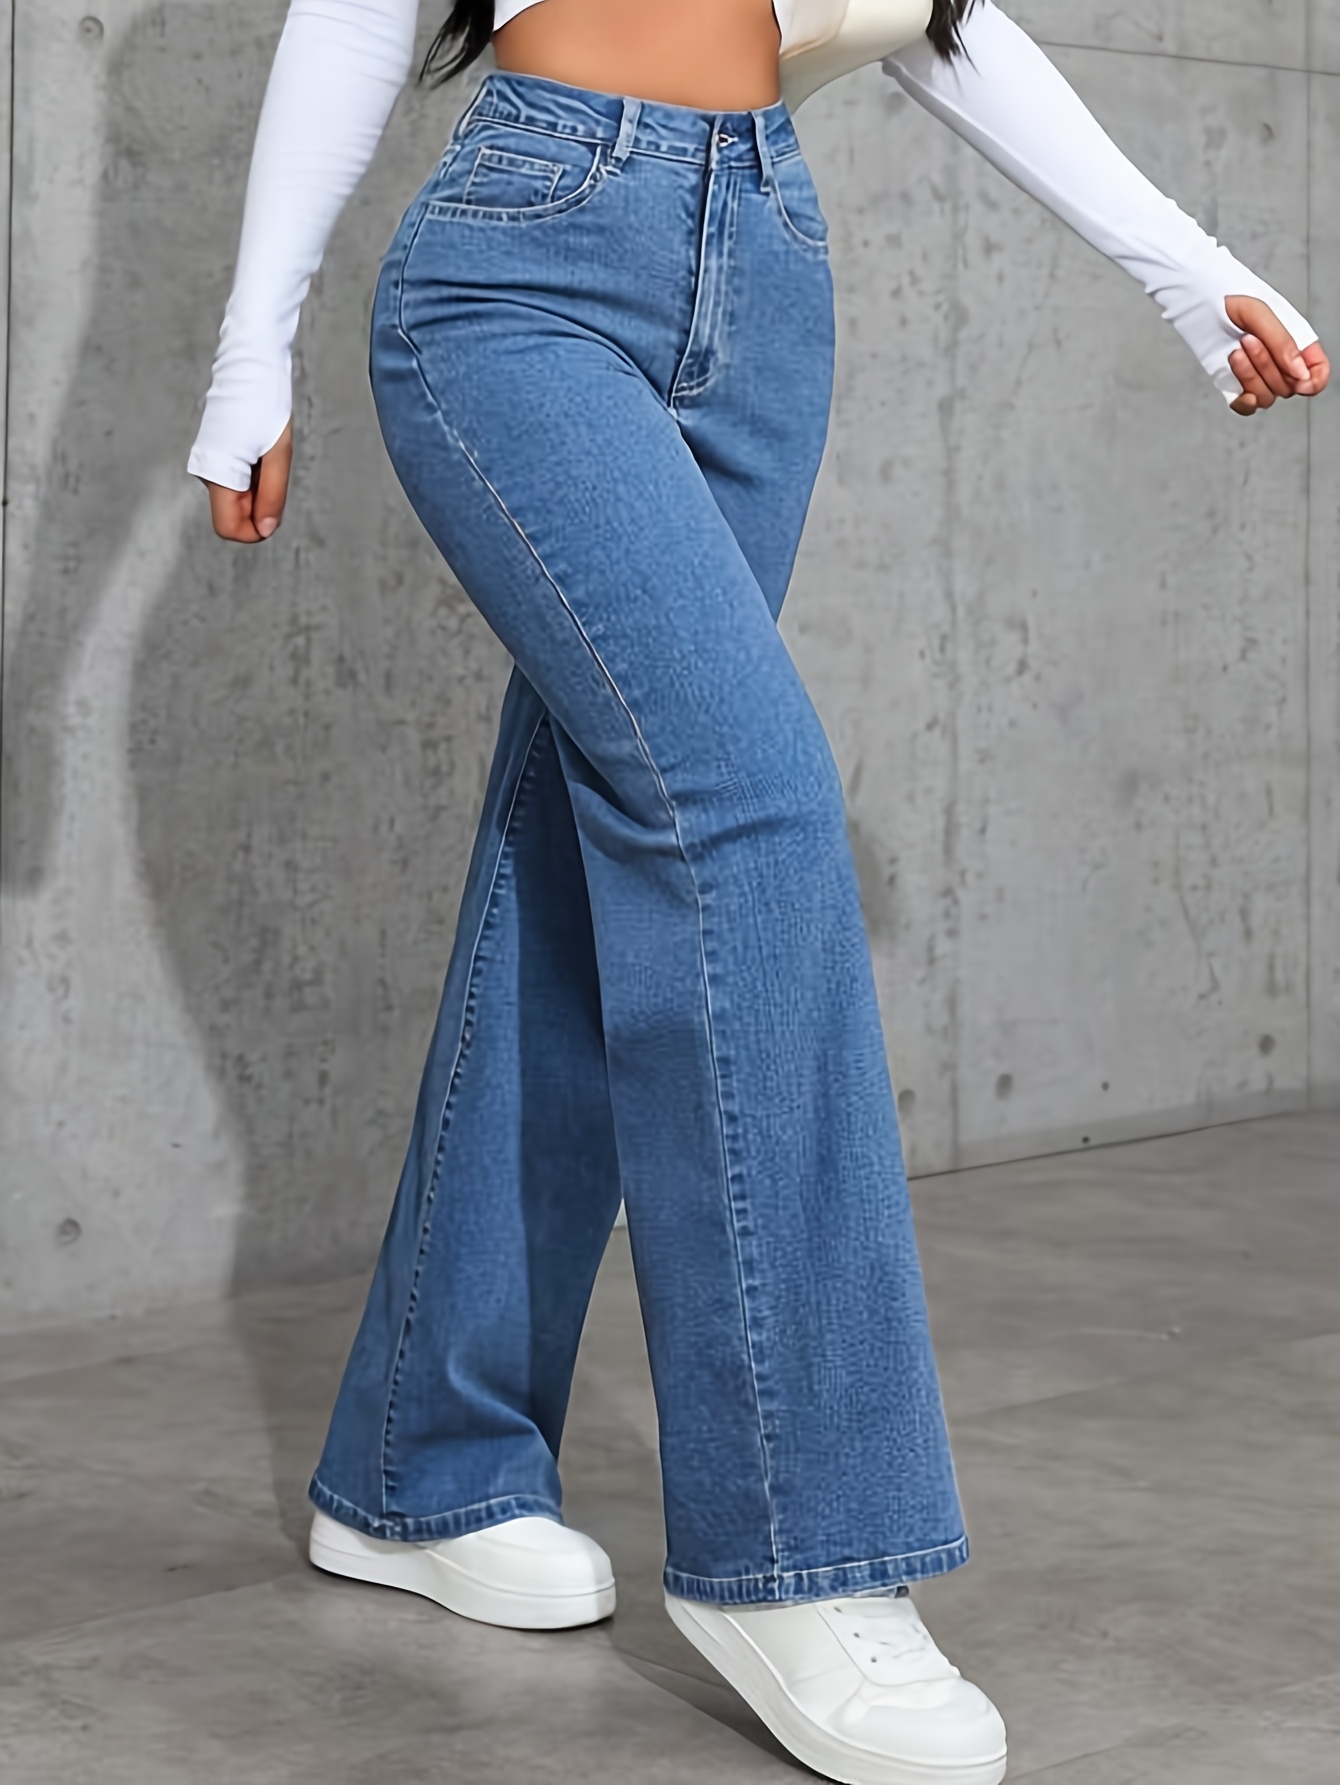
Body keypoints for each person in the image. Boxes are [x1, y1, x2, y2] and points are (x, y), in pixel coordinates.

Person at [189, 4, 1328, 1781]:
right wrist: (250, 344)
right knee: (748, 818)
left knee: (590, 848)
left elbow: (946, 22)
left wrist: (1187, 269)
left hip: (768, 271)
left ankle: (424, 1464)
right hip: (527, 261)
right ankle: (802, 1547)